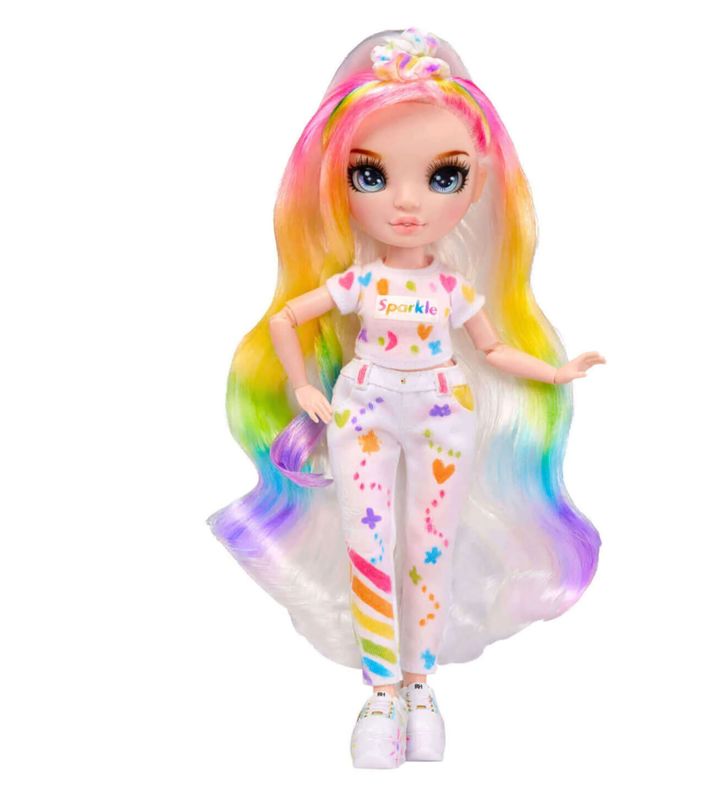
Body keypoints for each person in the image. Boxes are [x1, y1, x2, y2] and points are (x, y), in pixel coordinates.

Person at [208, 27, 605, 769]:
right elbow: (288, 320)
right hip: (362, 405)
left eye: (443, 177)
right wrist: (302, 384)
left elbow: (493, 349)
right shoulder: (358, 282)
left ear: (478, 187)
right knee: (368, 545)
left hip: (442, 408)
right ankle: (381, 690)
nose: (406, 202)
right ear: (337, 183)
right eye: (371, 175)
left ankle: (421, 687)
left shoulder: (453, 288)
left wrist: (554, 374)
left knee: (431, 543)